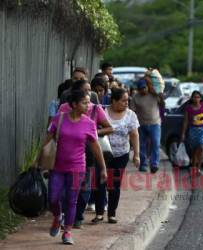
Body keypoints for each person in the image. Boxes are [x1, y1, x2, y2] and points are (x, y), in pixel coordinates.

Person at [34, 90, 107, 245]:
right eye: (85, 103)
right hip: (58, 167)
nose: (88, 106)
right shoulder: (58, 119)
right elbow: (46, 141)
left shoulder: (89, 123)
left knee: (72, 200)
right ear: (74, 104)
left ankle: (67, 232)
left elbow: (95, 147)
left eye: (89, 102)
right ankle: (57, 216)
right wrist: (36, 160)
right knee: (53, 198)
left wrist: (103, 168)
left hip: (77, 167)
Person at [58, 80, 113, 228]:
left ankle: (77, 217)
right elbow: (56, 128)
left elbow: (109, 128)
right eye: (85, 90)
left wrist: (92, 133)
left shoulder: (95, 109)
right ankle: (65, 215)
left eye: (90, 91)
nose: (89, 94)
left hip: (88, 153)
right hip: (66, 154)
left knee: (85, 188)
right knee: (66, 188)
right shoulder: (64, 108)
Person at [92, 88, 140, 224]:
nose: (126, 103)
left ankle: (112, 214)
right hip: (102, 153)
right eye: (123, 100)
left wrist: (136, 155)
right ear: (113, 101)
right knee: (100, 182)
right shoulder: (103, 111)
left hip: (121, 155)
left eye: (127, 100)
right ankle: (99, 213)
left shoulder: (131, 115)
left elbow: (134, 135)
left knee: (114, 184)